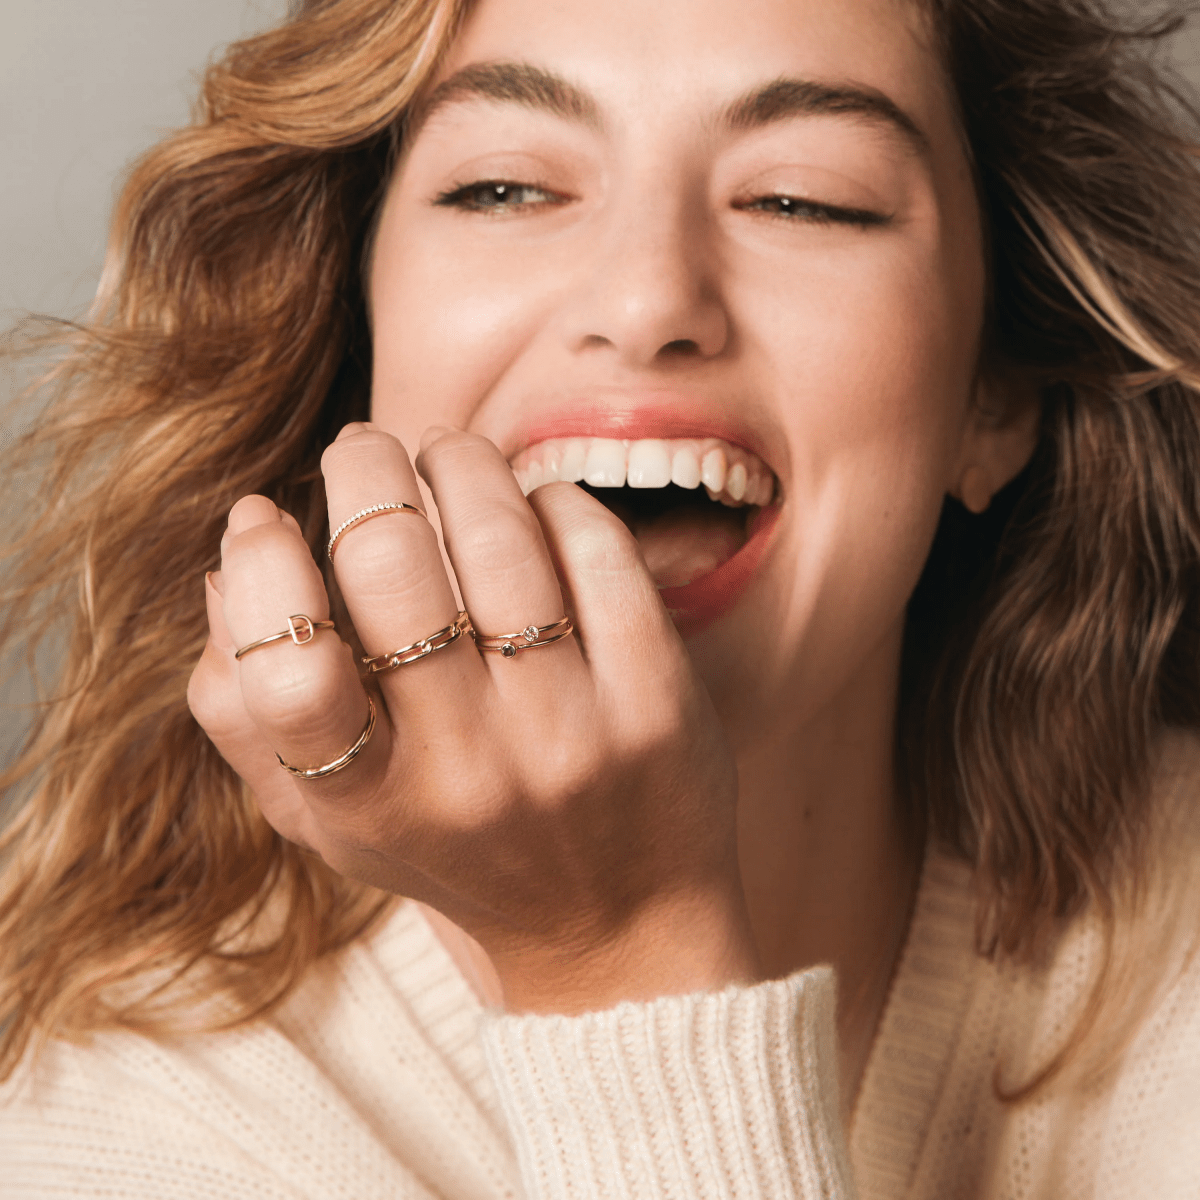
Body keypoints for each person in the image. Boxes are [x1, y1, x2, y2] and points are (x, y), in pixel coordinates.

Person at [2, 0, 1199, 1194]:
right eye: (507, 188)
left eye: (803, 199)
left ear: (991, 395)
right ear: (356, 332)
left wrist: (623, 954)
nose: (643, 304)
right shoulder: (91, 1110)